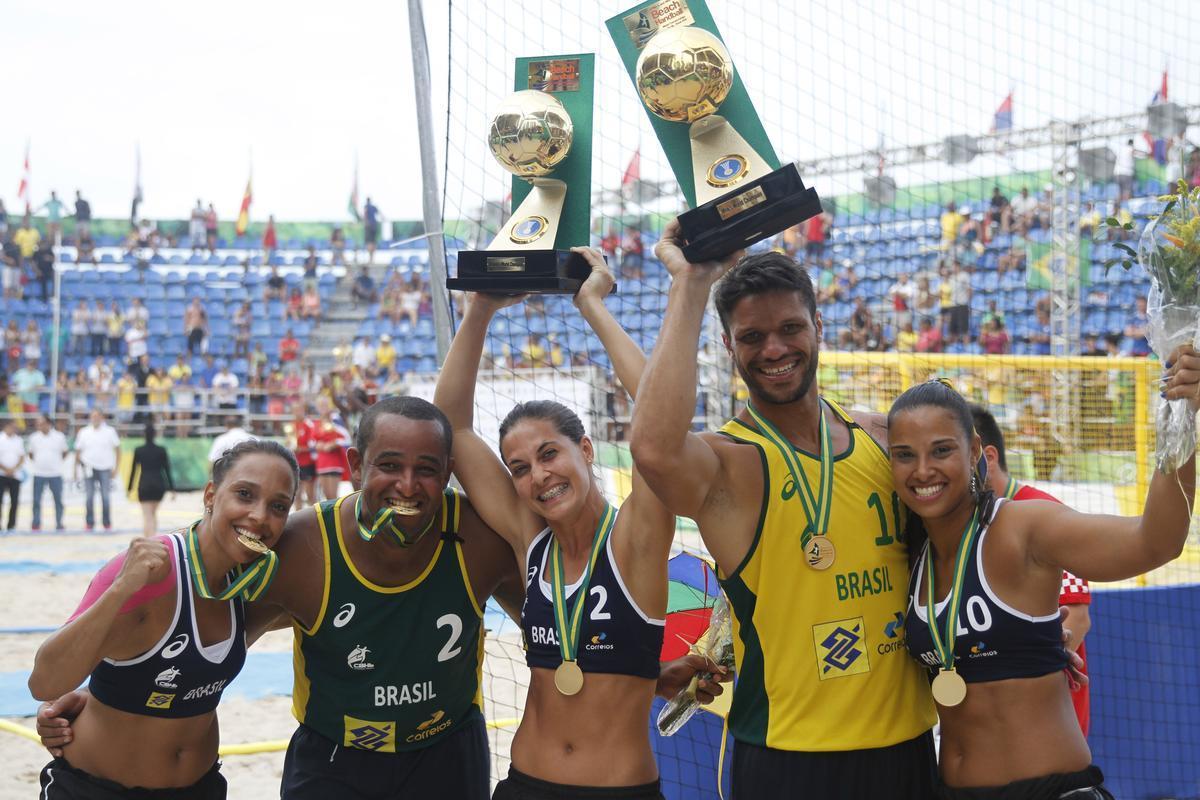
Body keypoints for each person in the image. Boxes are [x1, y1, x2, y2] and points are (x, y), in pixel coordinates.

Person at [629, 224, 937, 798]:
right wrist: (691, 282)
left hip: (908, 748)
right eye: (752, 336)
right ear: (729, 347)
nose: (774, 349)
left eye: (790, 328)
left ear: (819, 326)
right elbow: (653, 450)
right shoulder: (730, 464)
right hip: (788, 758)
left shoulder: (881, 436)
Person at [435, 247, 678, 799]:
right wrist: (480, 309)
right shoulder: (532, 542)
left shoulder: (635, 537)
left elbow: (659, 419)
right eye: (519, 468)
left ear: (586, 450)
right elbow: (451, 427)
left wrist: (591, 306)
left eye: (550, 454)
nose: (539, 475)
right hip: (525, 784)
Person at [889, 370, 1198, 798]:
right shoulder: (911, 556)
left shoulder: (1021, 527)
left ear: (975, 450)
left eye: (942, 450)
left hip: (1051, 790)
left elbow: (1155, 542)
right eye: (904, 455)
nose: (923, 470)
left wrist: (1183, 417)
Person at [29, 440, 299, 798]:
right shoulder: (151, 570)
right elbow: (44, 683)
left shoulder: (255, 583)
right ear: (210, 495)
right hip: (95, 789)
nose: (260, 516)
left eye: (278, 506)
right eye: (244, 494)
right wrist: (121, 588)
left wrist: (92, 692)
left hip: (199, 787)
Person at [970, 405, 1093, 737]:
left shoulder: (1044, 511)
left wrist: (1017, 685)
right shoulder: (973, 520)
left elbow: (1078, 618)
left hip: (1048, 720)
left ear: (987, 457)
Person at [74, 410, 121, 532]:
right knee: (89, 497)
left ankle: (107, 523)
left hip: (105, 469)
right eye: (92, 416)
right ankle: (89, 523)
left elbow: (118, 450)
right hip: (88, 468)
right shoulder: (84, 432)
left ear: (102, 417)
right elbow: (78, 452)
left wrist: (116, 468)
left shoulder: (110, 431)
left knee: (105, 497)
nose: (94, 418)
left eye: (97, 416)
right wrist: (75, 469)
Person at [128, 423, 176, 537]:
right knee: (153, 514)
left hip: (144, 485)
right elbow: (167, 470)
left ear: (144, 435)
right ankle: (153, 538)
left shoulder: (139, 450)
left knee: (147, 516)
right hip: (159, 485)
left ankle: (149, 540)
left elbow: (134, 471)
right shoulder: (161, 450)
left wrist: (129, 488)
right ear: (155, 435)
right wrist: (172, 489)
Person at [28, 414, 69, 531]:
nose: (39, 426)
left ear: (48, 423)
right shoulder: (34, 437)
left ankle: (59, 523)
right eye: (38, 424)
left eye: (41, 423)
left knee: (58, 500)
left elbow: (65, 452)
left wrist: (54, 463)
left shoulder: (59, 436)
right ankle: (36, 523)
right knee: (36, 501)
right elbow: (31, 454)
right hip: (39, 473)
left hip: (55, 474)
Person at [312, 395, 350, 500]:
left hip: (334, 462)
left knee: (333, 498)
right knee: (326, 497)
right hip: (321, 463)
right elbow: (312, 441)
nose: (322, 408)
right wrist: (317, 445)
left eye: (325, 405)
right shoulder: (317, 422)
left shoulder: (335, 419)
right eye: (320, 405)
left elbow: (346, 438)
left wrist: (333, 444)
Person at [285, 402, 317, 510]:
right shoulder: (291, 425)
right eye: (295, 410)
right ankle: (299, 517)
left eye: (299, 410)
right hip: (295, 463)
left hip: (308, 463)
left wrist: (300, 449)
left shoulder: (309, 424)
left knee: (310, 494)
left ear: (304, 411)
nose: (297, 412)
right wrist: (289, 446)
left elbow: (314, 445)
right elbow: (289, 442)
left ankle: (314, 518)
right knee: (296, 494)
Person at [0, 419, 24, 530]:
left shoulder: (19, 440)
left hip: (15, 475)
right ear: (6, 426)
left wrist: (12, 470)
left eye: (15, 428)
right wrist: (6, 469)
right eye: (12, 427)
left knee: (14, 501)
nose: (14, 429)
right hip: (1, 474)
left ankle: (11, 525)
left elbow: (21, 457)